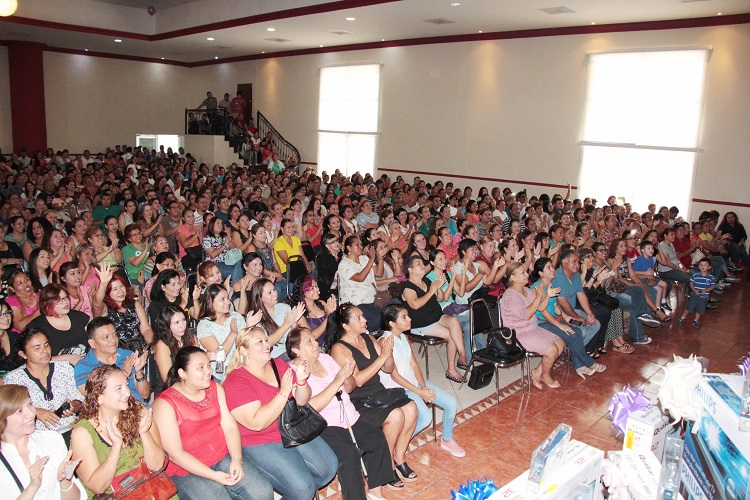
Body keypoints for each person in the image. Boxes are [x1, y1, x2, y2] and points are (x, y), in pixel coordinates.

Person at [223, 327, 338, 500]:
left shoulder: (277, 364)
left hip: (290, 428)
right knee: (302, 488)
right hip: (260, 441)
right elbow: (256, 423)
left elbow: (302, 401)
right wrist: (283, 392)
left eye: (266, 340)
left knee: (328, 468)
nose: (266, 344)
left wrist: (301, 382)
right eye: (259, 342)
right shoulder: (236, 381)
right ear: (244, 350)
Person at [286, 327, 394, 500]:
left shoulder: (326, 359)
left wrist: (348, 374)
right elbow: (311, 407)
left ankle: (376, 492)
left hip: (349, 414)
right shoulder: (293, 372)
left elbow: (349, 387)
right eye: (309, 341)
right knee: (349, 454)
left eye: (314, 339)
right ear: (295, 350)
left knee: (376, 437)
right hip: (324, 424)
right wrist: (337, 382)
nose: (315, 343)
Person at [152, 346, 273, 499]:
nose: (208, 371)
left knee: (263, 493)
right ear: (182, 373)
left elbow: (230, 427)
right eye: (200, 368)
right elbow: (175, 454)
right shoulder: (164, 404)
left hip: (221, 455)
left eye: (208, 365)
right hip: (186, 469)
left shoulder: (215, 388)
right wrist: (214, 475)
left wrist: (236, 459)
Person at [327, 303, 418, 490]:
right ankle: (386, 465)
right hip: (359, 400)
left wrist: (387, 353)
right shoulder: (339, 349)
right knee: (396, 415)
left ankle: (399, 457)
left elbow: (388, 368)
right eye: (358, 318)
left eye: (363, 316)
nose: (365, 320)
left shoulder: (368, 338)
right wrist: (382, 357)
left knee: (411, 408)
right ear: (345, 325)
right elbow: (357, 381)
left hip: (378, 392)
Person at [378, 305, 466, 457]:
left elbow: (414, 365)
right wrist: (420, 392)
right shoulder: (383, 342)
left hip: (414, 385)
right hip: (399, 389)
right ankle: (397, 444)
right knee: (425, 418)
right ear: (392, 323)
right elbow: (394, 376)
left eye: (408, 316)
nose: (409, 319)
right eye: (404, 317)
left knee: (451, 403)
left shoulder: (404, 337)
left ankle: (447, 439)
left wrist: (424, 387)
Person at [70, 365, 166, 498]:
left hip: (153, 491)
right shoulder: (82, 433)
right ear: (99, 397)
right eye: (118, 389)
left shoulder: (139, 412)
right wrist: (115, 448)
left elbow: (157, 465)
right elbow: (98, 487)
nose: (127, 393)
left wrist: (145, 434)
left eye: (126, 385)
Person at [0, 384, 84, 499]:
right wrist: (32, 487)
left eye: (30, 404)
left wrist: (64, 480)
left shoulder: (52, 440)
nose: (31, 413)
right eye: (20, 411)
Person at [2, 330, 83, 444]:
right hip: (37, 437)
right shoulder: (13, 379)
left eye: (46, 345)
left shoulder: (64, 368)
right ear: (23, 354)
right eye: (37, 348)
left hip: (71, 429)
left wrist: (74, 405)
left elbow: (80, 399)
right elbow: (10, 412)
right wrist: (35, 412)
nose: (45, 351)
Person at [529, 258, 606, 377]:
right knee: (571, 333)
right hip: (541, 322)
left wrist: (565, 317)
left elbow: (555, 305)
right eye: (548, 268)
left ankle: (579, 366)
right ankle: (590, 363)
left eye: (552, 266)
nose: (552, 270)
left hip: (553, 319)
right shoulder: (537, 287)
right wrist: (561, 325)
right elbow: (543, 311)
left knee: (578, 332)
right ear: (541, 273)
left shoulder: (550, 284)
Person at [400, 255, 467, 382]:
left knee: (454, 321)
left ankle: (462, 354)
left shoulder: (426, 281)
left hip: (436, 316)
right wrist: (432, 291)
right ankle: (451, 370)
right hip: (421, 323)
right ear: (410, 269)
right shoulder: (407, 286)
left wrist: (439, 288)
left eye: (422, 263)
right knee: (451, 335)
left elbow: (440, 299)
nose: (423, 266)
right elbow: (415, 305)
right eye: (418, 264)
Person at [501, 262, 566, 389]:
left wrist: (547, 297)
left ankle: (537, 371)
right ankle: (545, 375)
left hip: (532, 328)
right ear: (512, 278)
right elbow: (526, 315)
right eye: (522, 273)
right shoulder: (510, 295)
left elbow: (540, 308)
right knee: (552, 350)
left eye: (526, 271)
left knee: (560, 344)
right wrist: (538, 297)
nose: (527, 275)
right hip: (518, 334)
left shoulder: (526, 290)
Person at [74, 317, 150, 405]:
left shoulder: (127, 355)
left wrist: (138, 372)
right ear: (92, 343)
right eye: (106, 337)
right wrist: (124, 373)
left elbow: (145, 395)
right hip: (113, 411)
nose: (113, 340)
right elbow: (94, 397)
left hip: (140, 407)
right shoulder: (84, 366)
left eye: (115, 335)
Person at [550, 249, 608, 357]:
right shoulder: (557, 276)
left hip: (572, 310)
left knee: (595, 325)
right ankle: (577, 354)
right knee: (582, 331)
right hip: (560, 314)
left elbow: (581, 294)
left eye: (578, 262)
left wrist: (589, 313)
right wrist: (577, 317)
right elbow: (562, 302)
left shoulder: (575, 275)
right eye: (574, 262)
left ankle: (575, 352)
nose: (577, 265)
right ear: (564, 262)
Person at [93, 263, 153, 353]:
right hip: (118, 350)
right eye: (115, 289)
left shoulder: (135, 304)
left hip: (139, 346)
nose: (120, 291)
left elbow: (146, 329)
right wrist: (103, 284)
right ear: (107, 293)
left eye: (121, 286)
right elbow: (96, 304)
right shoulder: (105, 308)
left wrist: (152, 344)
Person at [27, 284, 90, 366]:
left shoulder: (79, 317)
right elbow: (34, 358)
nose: (65, 302)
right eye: (59, 300)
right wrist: (67, 358)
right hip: (55, 369)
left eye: (65, 298)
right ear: (47, 304)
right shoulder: (37, 326)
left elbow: (96, 339)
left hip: (86, 365)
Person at [197, 284, 250, 380]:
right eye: (222, 299)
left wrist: (249, 326)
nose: (228, 302)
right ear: (210, 302)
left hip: (242, 367)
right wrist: (233, 334)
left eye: (228, 298)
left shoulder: (236, 317)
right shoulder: (204, 325)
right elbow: (220, 356)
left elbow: (246, 343)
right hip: (219, 375)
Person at [248, 278, 304, 359]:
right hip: (275, 356)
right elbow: (266, 343)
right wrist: (286, 324)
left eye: (274, 289)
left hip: (291, 351)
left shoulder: (284, 307)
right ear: (260, 298)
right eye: (269, 293)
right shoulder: (255, 316)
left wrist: (294, 323)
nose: (275, 294)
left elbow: (293, 338)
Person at [152, 305, 199, 396]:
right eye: (176, 322)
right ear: (166, 325)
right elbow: (168, 379)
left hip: (191, 385)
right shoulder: (162, 345)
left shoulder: (191, 338)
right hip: (169, 391)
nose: (182, 325)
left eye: (183, 320)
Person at [337, 236, 382, 329]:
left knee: (393, 311)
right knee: (378, 320)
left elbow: (379, 273)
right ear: (349, 248)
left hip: (373, 297)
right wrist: (372, 259)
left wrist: (380, 258)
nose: (360, 247)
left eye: (361, 244)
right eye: (356, 244)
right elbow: (360, 278)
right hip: (357, 302)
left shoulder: (364, 258)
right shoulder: (344, 264)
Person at [291, 275, 338, 347]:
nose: (317, 289)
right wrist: (329, 317)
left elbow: (334, 324)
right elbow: (311, 336)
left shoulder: (322, 303)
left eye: (316, 286)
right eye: (312, 288)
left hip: (331, 342)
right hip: (315, 347)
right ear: (303, 292)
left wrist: (335, 311)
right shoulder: (299, 311)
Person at [677, 257, 716, 328]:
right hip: (694, 295)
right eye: (701, 265)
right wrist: (694, 290)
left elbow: (712, 286)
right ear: (698, 266)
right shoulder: (695, 276)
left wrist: (706, 290)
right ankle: (682, 317)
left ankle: (696, 320)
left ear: (709, 267)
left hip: (704, 297)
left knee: (700, 309)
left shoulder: (711, 277)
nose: (703, 267)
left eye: (705, 265)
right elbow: (691, 283)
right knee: (689, 307)